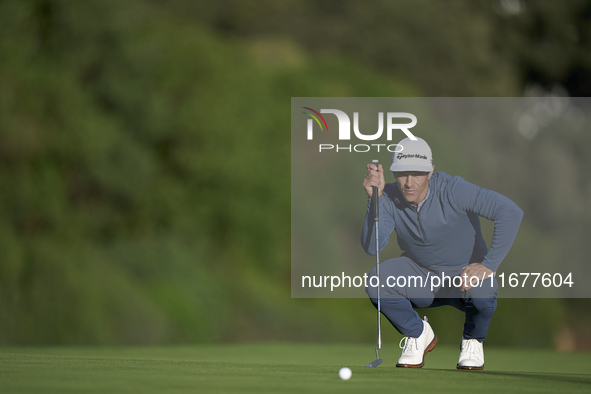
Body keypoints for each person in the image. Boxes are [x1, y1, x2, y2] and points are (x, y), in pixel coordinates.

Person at [361, 137, 523, 370]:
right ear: (394, 173)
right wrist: (374, 200)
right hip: (420, 276)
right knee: (377, 280)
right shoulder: (387, 196)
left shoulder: (454, 189)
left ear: (430, 172)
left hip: (464, 277)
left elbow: (510, 212)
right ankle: (418, 334)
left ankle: (472, 340)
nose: (408, 182)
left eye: (417, 173)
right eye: (402, 173)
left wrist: (488, 265)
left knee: (482, 293)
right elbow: (371, 248)